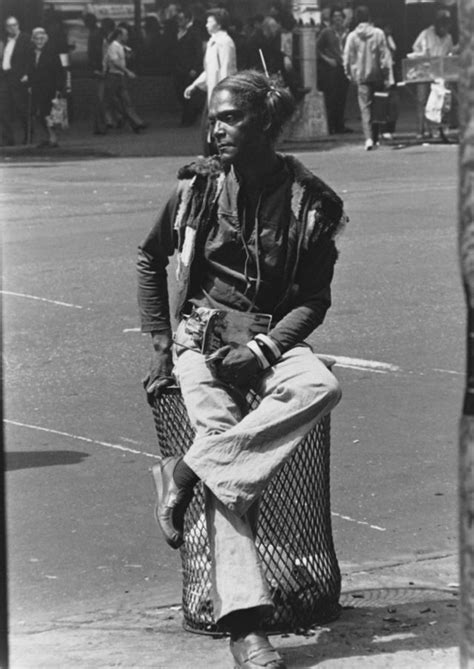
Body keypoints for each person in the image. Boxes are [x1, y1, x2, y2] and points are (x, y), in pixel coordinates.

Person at [137, 70, 345, 669]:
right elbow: (149, 258)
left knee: (320, 385)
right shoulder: (196, 190)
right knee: (223, 437)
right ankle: (247, 625)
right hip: (201, 343)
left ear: (267, 125)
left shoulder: (313, 203)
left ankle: (185, 472)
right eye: (214, 117)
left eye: (230, 118)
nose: (216, 127)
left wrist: (261, 352)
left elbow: (313, 299)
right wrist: (161, 345)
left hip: (266, 346)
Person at [184, 8, 237, 155]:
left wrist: (224, 98)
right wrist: (194, 85)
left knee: (216, 134)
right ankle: (213, 165)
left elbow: (226, 70)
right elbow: (209, 70)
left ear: (218, 24)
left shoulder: (225, 43)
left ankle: (218, 166)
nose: (206, 25)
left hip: (219, 97)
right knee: (207, 132)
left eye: (209, 21)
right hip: (213, 96)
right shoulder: (212, 43)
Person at [343, 5, 391, 150]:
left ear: (356, 19)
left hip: (361, 78)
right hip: (377, 76)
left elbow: (346, 58)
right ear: (369, 18)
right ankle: (376, 138)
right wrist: (386, 75)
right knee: (378, 107)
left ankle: (368, 138)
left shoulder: (352, 36)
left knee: (365, 109)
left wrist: (349, 74)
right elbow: (384, 57)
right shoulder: (378, 34)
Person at [412, 8, 454, 138]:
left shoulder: (448, 38)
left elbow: (449, 54)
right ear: (437, 24)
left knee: (439, 101)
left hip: (440, 73)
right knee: (422, 100)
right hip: (425, 71)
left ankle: (436, 129)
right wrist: (422, 56)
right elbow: (415, 48)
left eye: (447, 26)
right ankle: (421, 130)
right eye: (443, 25)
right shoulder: (425, 34)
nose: (445, 29)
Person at [104, 27, 146, 134]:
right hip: (114, 76)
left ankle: (135, 122)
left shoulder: (121, 47)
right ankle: (133, 121)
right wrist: (127, 71)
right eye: (125, 34)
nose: (127, 37)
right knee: (118, 101)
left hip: (119, 76)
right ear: (120, 35)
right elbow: (115, 62)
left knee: (124, 101)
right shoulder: (113, 46)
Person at [28, 27, 65, 148]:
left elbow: (59, 71)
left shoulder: (51, 52)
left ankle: (53, 137)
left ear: (46, 39)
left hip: (50, 88)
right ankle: (49, 136)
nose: (39, 41)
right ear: (33, 40)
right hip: (37, 88)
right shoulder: (32, 53)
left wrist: (59, 88)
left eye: (42, 38)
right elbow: (32, 70)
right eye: (37, 39)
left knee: (48, 113)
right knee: (40, 114)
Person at [317, 7, 350, 134]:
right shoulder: (326, 32)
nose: (338, 20)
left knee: (342, 97)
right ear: (331, 19)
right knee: (332, 98)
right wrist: (327, 58)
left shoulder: (347, 33)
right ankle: (331, 126)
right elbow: (316, 48)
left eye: (340, 17)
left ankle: (340, 125)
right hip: (331, 69)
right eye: (335, 17)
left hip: (344, 68)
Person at [0, 16, 31, 146]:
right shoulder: (5, 41)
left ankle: (28, 136)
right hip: (5, 77)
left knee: (21, 108)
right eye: (9, 26)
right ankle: (8, 138)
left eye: (14, 25)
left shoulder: (25, 38)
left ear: (18, 25)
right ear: (6, 28)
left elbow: (30, 57)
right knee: (3, 108)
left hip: (19, 78)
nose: (12, 27)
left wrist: (28, 74)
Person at [174, 8, 204, 126]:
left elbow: (198, 52)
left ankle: (188, 118)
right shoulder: (178, 32)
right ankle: (190, 114)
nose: (179, 21)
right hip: (178, 68)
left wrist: (195, 68)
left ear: (187, 19)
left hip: (189, 69)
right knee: (179, 92)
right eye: (178, 19)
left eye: (181, 19)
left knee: (187, 93)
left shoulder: (194, 33)